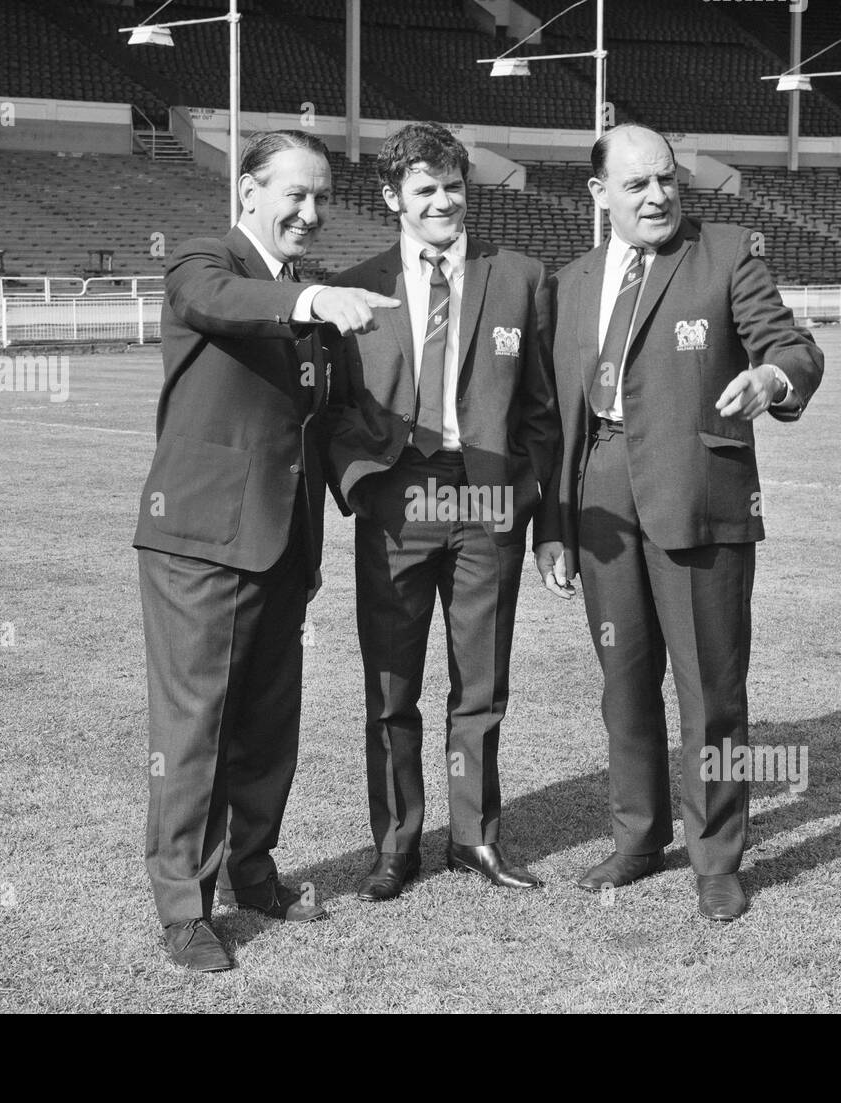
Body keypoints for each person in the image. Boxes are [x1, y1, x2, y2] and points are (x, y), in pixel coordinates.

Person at [536, 124, 823, 921]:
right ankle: (637, 837)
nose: (658, 195)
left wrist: (772, 376)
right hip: (600, 501)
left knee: (711, 689)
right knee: (623, 682)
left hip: (699, 495)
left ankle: (717, 858)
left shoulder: (727, 251)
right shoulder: (569, 284)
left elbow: (791, 345)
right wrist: (552, 525)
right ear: (599, 196)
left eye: (666, 179)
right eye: (637, 185)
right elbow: (554, 419)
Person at [133, 130, 399, 971]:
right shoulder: (204, 261)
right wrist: (311, 304)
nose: (311, 213)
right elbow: (218, 301)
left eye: (322, 199)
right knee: (195, 728)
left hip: (286, 547)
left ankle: (254, 872)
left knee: (266, 725)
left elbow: (328, 428)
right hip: (200, 545)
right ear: (248, 190)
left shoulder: (301, 296)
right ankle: (184, 906)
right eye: (296, 194)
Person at [325, 122, 559, 901]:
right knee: (390, 688)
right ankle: (396, 846)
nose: (442, 201)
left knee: (481, 685)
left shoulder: (520, 277)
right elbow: (334, 409)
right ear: (394, 197)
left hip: (486, 501)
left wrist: (525, 499)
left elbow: (542, 406)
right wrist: (363, 484)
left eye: (453, 186)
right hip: (396, 502)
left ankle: (474, 838)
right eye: (424, 189)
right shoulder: (357, 285)